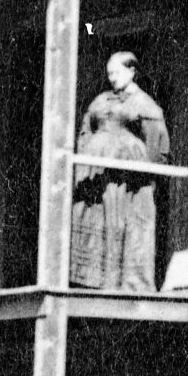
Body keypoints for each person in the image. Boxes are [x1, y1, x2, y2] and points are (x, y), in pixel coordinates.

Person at [71, 50, 169, 292]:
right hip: (98, 175)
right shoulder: (102, 100)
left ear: (132, 71)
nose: (112, 78)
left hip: (124, 180)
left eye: (116, 72)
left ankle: (124, 282)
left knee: (123, 223)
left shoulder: (143, 102)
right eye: (109, 73)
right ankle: (95, 279)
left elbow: (156, 141)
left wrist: (144, 170)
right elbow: (86, 128)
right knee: (97, 222)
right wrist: (86, 155)